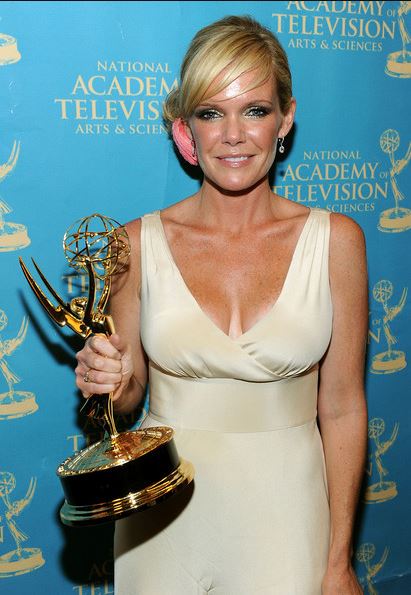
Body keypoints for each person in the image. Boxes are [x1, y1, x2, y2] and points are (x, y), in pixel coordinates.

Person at [75, 15, 368, 594]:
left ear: (286, 118)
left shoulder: (336, 242)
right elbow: (128, 397)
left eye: (255, 110)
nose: (234, 134)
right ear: (186, 130)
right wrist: (105, 378)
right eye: (212, 112)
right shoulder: (132, 244)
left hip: (288, 515)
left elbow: (341, 409)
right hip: (161, 519)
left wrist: (338, 562)